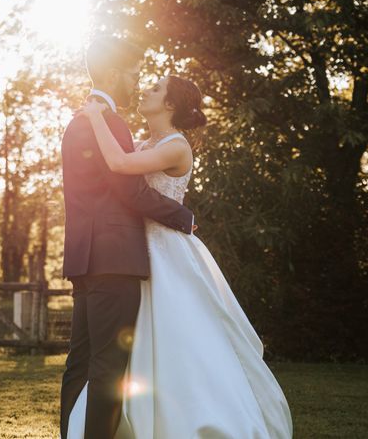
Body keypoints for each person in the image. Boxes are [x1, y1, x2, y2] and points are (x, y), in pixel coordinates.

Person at [66, 71, 294, 439]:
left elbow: (120, 166)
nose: (144, 90)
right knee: (131, 345)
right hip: (134, 254)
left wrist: (95, 117)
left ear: (170, 104)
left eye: (155, 89)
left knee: (178, 339)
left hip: (166, 252)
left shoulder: (177, 146)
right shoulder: (144, 143)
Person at [59, 35, 196, 439]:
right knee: (108, 369)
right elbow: (128, 190)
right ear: (116, 73)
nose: (138, 81)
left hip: (84, 258)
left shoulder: (77, 121)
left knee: (79, 363)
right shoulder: (110, 123)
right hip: (115, 259)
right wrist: (184, 216)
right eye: (135, 73)